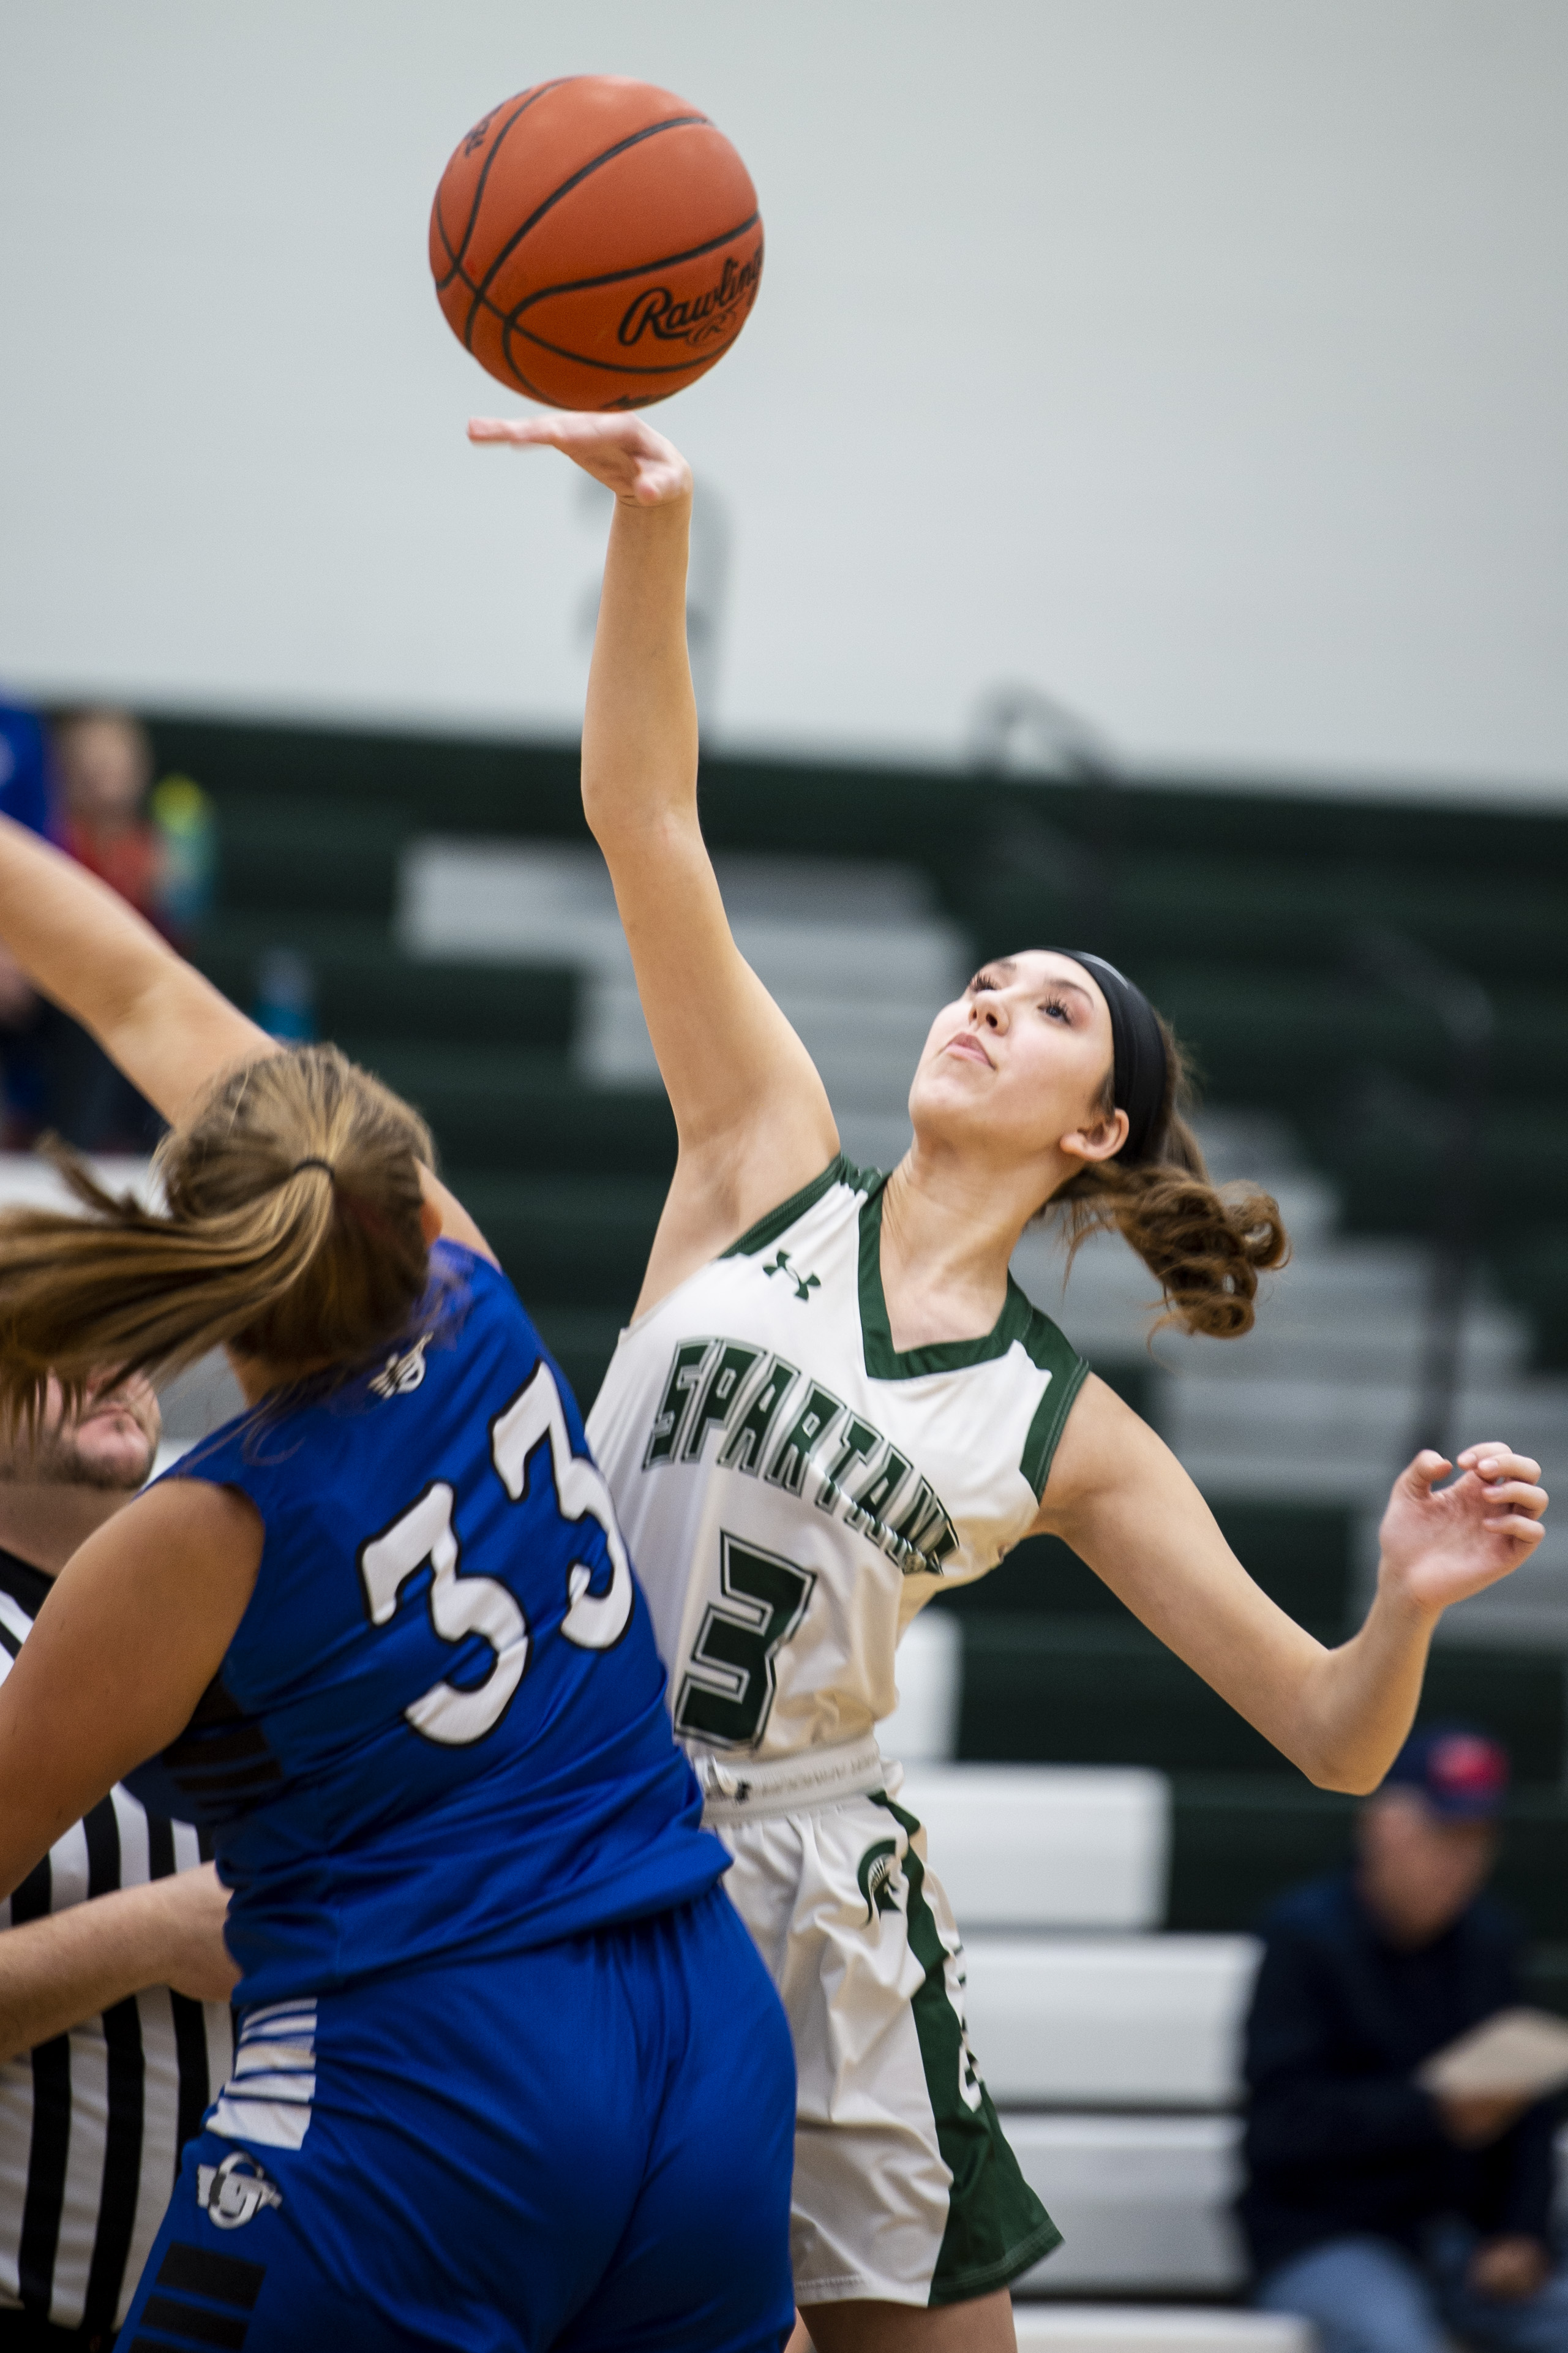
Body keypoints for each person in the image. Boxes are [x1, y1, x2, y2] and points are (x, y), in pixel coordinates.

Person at [468, 405, 1551, 2353]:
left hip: (808, 1893)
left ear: (1094, 1125)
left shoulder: (1068, 1428)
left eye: (1048, 1005)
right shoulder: (758, 1153)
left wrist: (1396, 1602)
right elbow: (645, 813)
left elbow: (1329, 1736)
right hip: (566, 1811)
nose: (988, 998)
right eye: (988, 976)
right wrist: (655, 529)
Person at [0, 814, 797, 2352]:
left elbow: (143, 998)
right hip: (702, 2031)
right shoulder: (471, 1280)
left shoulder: (199, 1533)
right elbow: (154, 997)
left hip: (439, 2067)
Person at [0, 1369, 235, 2349]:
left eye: (131, 1331)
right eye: (59, 1337)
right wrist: (154, 1936)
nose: (109, 1367)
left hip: (256, 2309)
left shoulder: (249, 1630)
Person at [1244, 1725, 1568, 2352]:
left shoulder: (1490, 1941)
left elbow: (1528, 2115)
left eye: (1477, 1839)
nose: (1459, 1859)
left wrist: (1519, 2234)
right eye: (1442, 1833)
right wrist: (1431, 2109)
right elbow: (1281, 2126)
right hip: (1325, 2236)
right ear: (1381, 1824)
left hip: (1460, 2242)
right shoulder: (1303, 1938)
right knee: (1396, 2340)